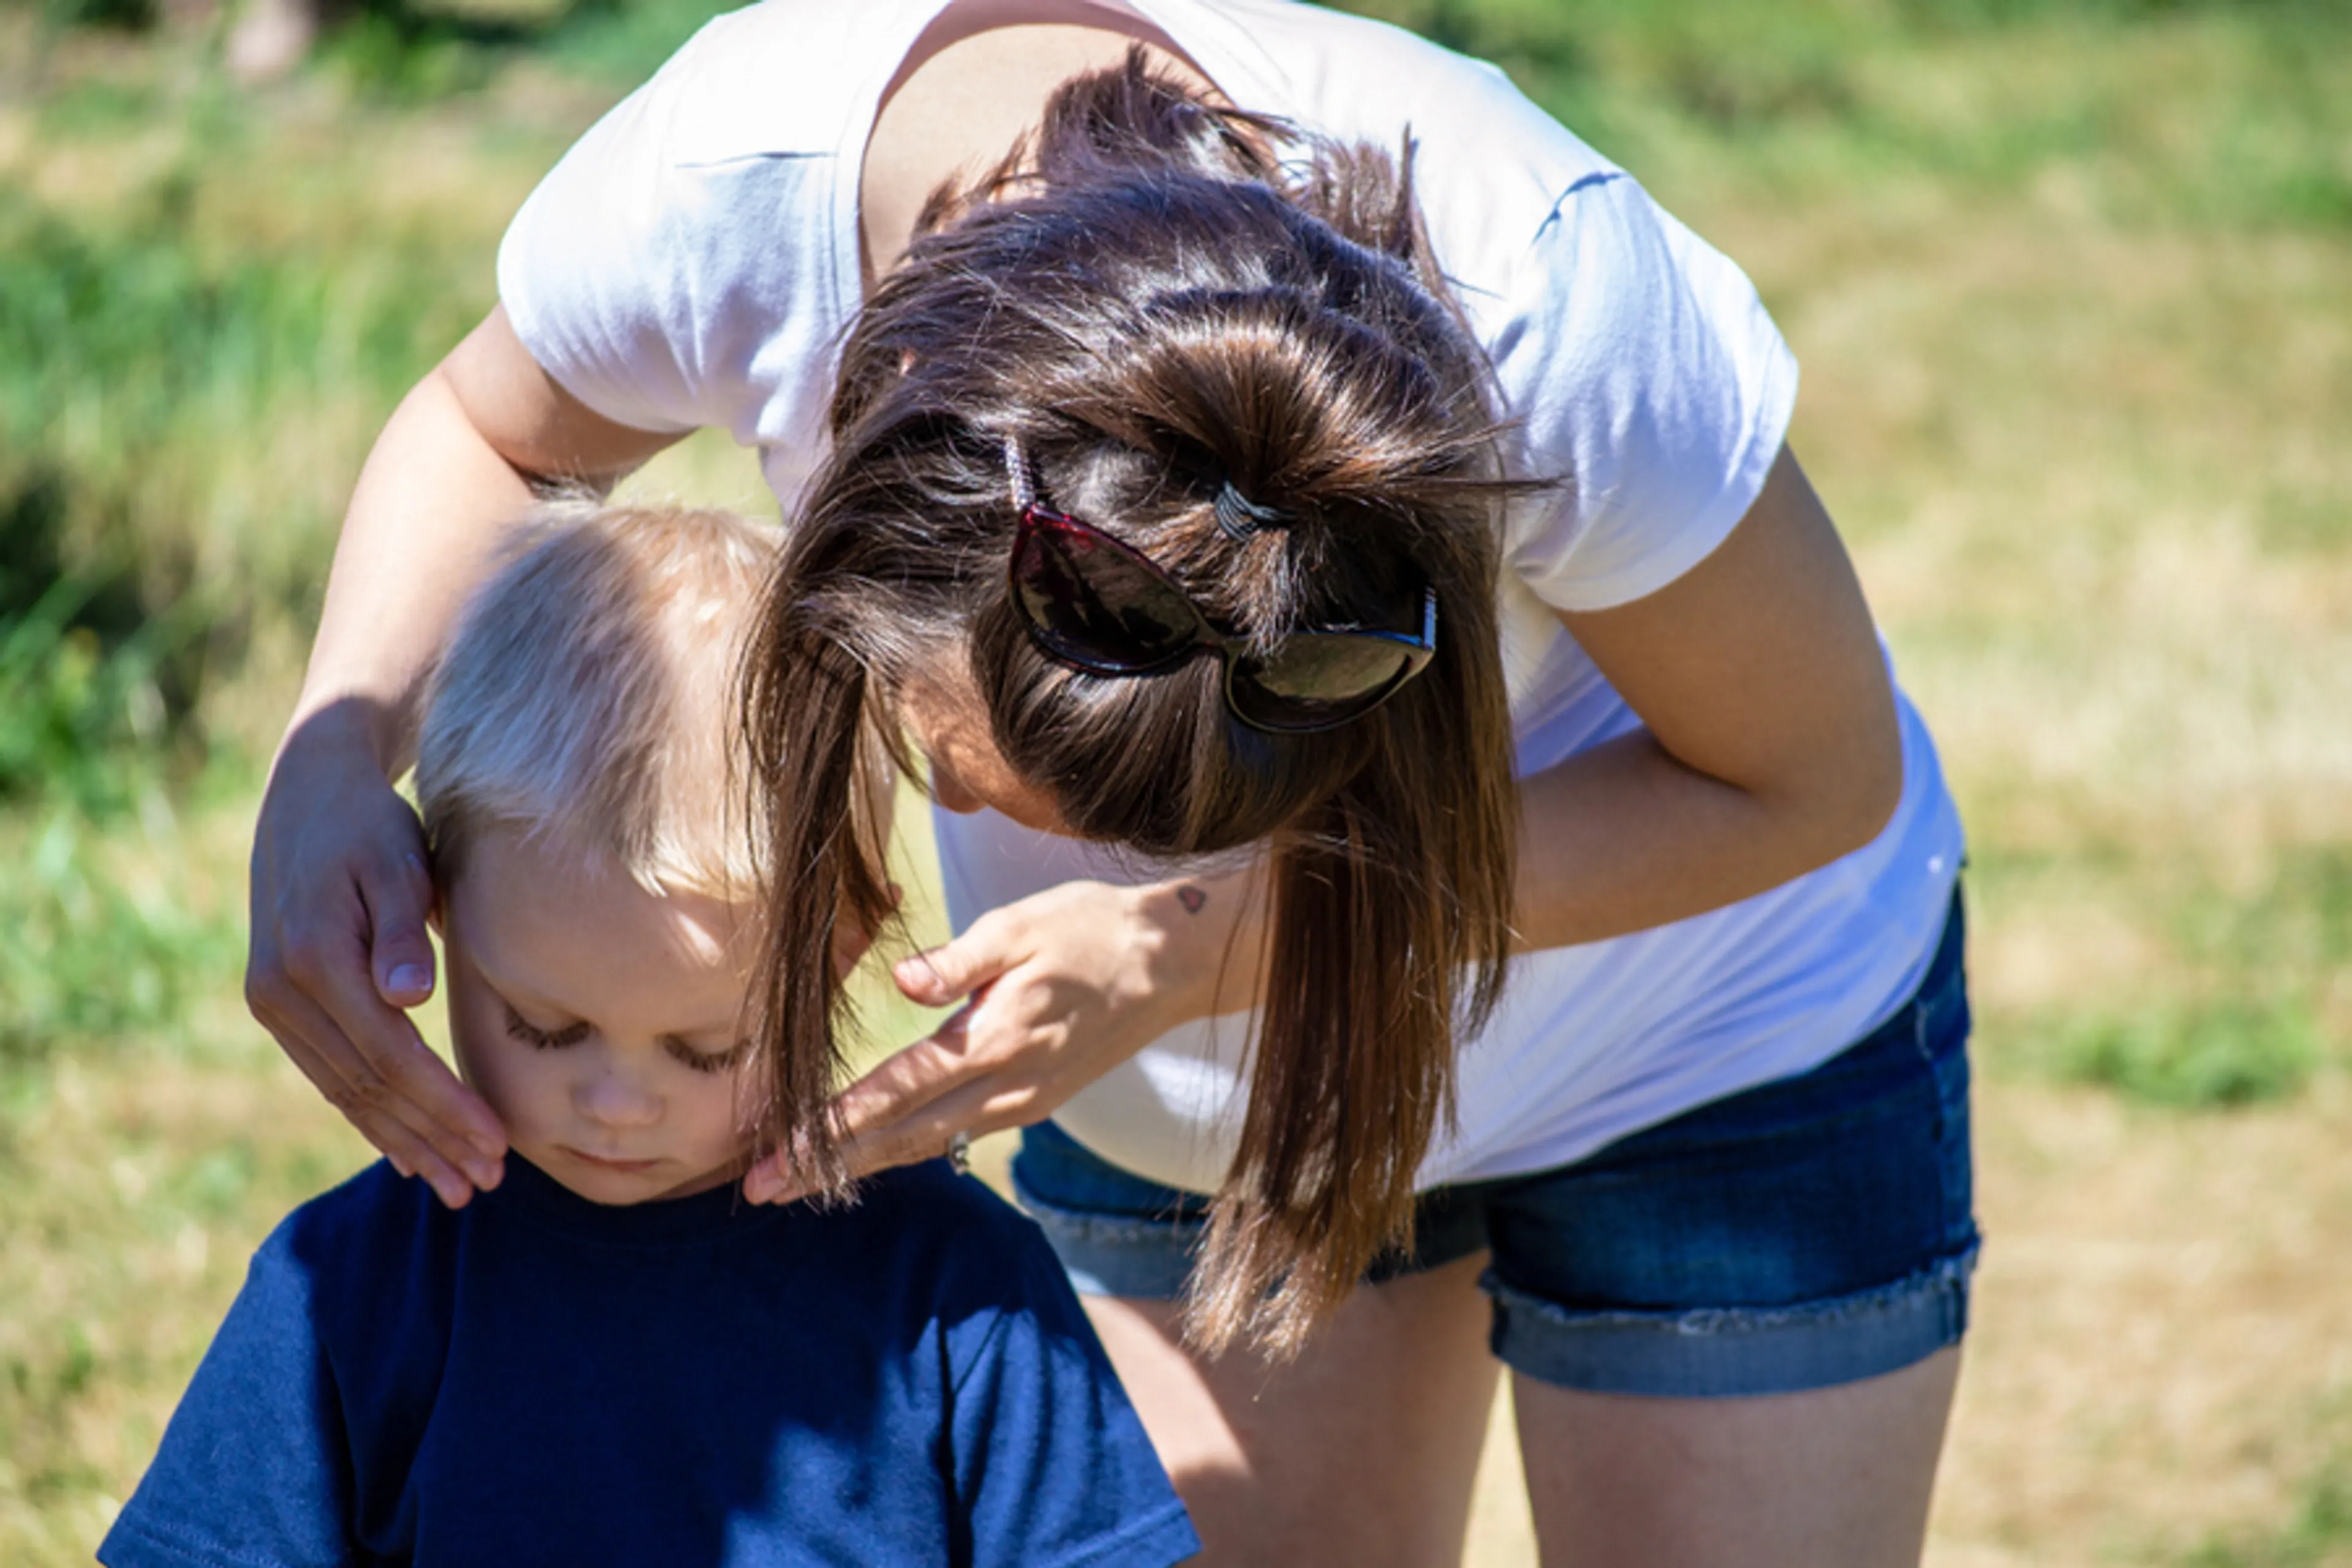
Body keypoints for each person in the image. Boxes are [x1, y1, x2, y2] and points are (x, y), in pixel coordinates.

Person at [241, 2, 1977, 1564]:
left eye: (1163, 834)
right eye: (962, 769)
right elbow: (498, 426)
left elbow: (1807, 779)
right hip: (1198, 1113)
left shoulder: (1545, 318)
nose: (1005, 853)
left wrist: (1187, 949)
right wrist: (334, 752)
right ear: (863, 488)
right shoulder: (727, 192)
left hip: (1705, 1045)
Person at [121, 499, 1199, 1568]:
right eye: (544, 1027)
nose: (618, 1101)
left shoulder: (958, 1293)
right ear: (434, 904)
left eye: (708, 1049)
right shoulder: (353, 1289)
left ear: (846, 945)